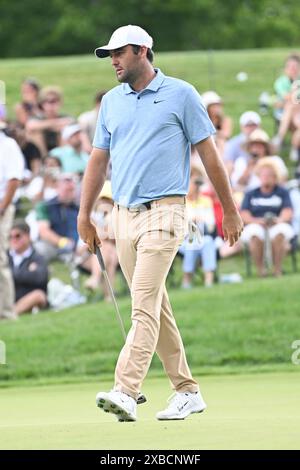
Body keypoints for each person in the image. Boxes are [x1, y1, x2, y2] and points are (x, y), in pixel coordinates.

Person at [77, 25, 243, 422]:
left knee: (143, 307)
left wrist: (230, 208)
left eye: (119, 53)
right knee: (155, 306)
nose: (113, 61)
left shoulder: (182, 94)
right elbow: (98, 161)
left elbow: (209, 153)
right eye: (110, 55)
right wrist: (85, 215)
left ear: (142, 51)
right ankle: (187, 391)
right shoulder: (111, 103)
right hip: (123, 215)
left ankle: (126, 390)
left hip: (167, 213)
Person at [240, 159, 294, 277]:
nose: (266, 177)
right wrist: (257, 221)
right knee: (254, 234)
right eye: (263, 174)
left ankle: (277, 269)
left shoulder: (282, 192)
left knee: (280, 233)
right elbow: (244, 214)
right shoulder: (251, 193)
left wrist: (278, 220)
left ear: (275, 177)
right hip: (256, 223)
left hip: (277, 222)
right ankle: (261, 270)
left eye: (269, 174)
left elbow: (288, 211)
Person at [0, 124, 25, 320]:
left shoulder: (7, 145)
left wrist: (2, 208)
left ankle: (6, 313)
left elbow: (14, 180)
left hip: (2, 207)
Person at [35, 174, 79, 262]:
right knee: (39, 249)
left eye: (72, 190)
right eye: (66, 190)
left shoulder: (77, 208)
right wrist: (62, 242)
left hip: (76, 247)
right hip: (53, 245)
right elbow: (43, 231)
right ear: (57, 188)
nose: (69, 193)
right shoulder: (46, 205)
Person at [8, 220, 48, 315]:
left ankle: (9, 314)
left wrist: (12, 274)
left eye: (18, 236)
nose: (14, 239)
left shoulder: (38, 257)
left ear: (28, 236)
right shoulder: (5, 257)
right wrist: (27, 272)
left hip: (28, 298)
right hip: (8, 298)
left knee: (38, 295)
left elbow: (40, 278)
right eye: (10, 237)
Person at [223, 111, 261, 175]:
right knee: (240, 163)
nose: (251, 128)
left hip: (260, 172)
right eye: (248, 125)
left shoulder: (264, 140)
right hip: (239, 175)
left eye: (254, 125)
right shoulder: (233, 143)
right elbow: (229, 165)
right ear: (242, 127)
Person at [201, 91, 232, 157]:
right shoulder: (203, 122)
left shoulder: (225, 120)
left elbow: (226, 134)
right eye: (214, 106)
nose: (217, 108)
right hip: (207, 149)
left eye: (218, 105)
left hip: (222, 151)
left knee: (221, 141)